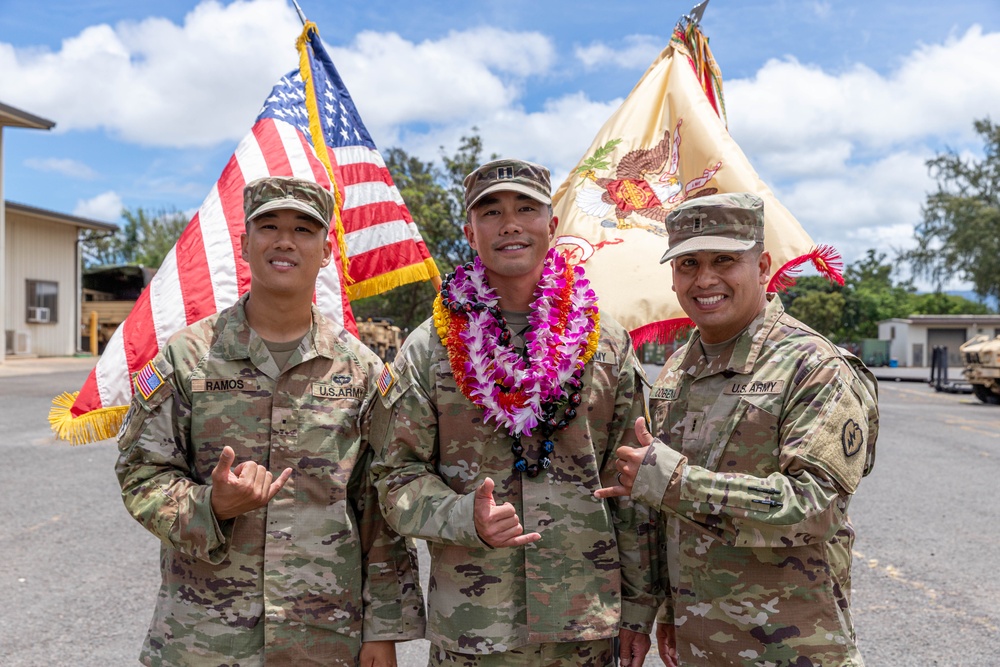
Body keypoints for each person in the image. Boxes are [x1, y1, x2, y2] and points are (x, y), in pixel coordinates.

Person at [115, 176, 425, 666]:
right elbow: (140, 473)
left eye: (304, 229)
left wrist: (382, 629)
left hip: (324, 633)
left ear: (326, 251)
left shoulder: (362, 371)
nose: (285, 240)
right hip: (206, 634)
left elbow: (379, 507)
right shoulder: (189, 357)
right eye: (270, 226)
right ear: (244, 244)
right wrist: (209, 505)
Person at [368, 159, 660, 666]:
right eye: (492, 211)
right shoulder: (429, 347)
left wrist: (639, 607)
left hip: (583, 629)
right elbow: (394, 480)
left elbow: (632, 486)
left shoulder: (605, 343)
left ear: (552, 225)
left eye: (526, 208)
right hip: (475, 632)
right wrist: (464, 517)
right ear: (469, 231)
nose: (510, 223)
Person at [596, 192, 879, 666]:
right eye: (688, 263)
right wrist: (663, 608)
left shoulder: (814, 366)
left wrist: (681, 483)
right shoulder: (675, 371)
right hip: (698, 643)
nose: (705, 279)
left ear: (763, 266)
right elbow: (665, 515)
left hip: (793, 649)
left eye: (724, 260)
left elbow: (816, 508)